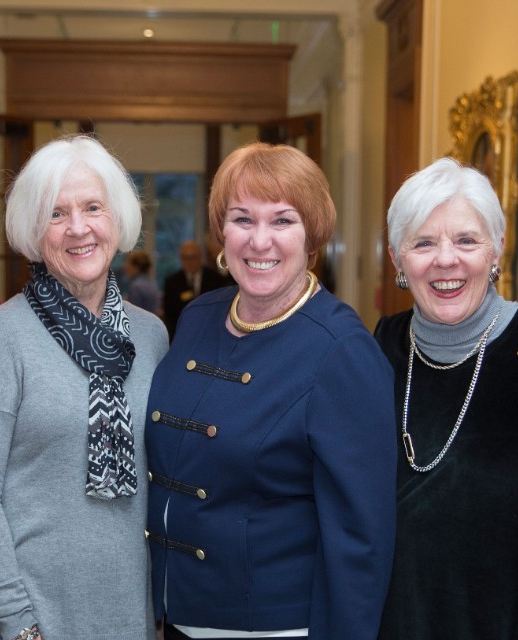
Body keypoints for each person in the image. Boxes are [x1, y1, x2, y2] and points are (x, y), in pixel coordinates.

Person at [145, 142, 397, 639]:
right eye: (243, 218)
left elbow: (360, 539)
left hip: (274, 626)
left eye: (283, 220)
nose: (260, 241)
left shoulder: (343, 349)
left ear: (313, 236)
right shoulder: (197, 317)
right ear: (221, 231)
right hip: (175, 615)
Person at [0, 134, 166, 640]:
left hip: (125, 610)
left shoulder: (151, 335)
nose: (78, 228)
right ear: (33, 229)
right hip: (25, 615)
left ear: (117, 219)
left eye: (93, 207)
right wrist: (18, 622)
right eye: (55, 213)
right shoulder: (1, 334)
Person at [373, 157, 518, 639]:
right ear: (397, 258)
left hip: (516, 621)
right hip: (400, 620)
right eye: (423, 243)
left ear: (497, 251)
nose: (446, 260)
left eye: (467, 240)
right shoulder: (380, 346)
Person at [161, 240, 229, 339]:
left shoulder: (216, 279)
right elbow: (169, 316)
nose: (189, 262)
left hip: (211, 334)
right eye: (185, 258)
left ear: (200, 257)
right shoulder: (172, 282)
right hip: (183, 335)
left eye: (192, 257)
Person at [122, 249, 162, 313]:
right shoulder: (153, 284)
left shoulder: (136, 287)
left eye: (129, 263)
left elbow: (133, 312)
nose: (125, 267)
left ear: (137, 267)